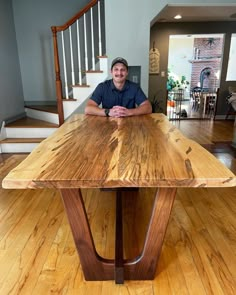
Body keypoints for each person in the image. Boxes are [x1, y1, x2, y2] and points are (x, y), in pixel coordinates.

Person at [84, 57, 152, 117]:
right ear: (111, 71)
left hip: (130, 125)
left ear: (127, 72)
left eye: (122, 70)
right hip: (107, 125)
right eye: (116, 69)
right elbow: (88, 108)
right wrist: (108, 112)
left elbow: (148, 107)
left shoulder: (134, 87)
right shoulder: (102, 87)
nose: (119, 73)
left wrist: (129, 112)